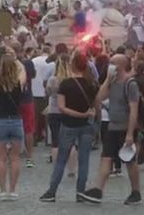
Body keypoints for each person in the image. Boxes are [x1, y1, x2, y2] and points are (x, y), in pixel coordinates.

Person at [79, 54, 142, 205]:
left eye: (113, 63)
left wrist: (130, 134)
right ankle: (98, 190)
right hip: (112, 126)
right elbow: (99, 98)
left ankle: (136, 192)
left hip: (126, 128)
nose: (110, 65)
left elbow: (134, 110)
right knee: (106, 158)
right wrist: (107, 80)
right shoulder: (112, 82)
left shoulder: (130, 83)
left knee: (129, 161)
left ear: (121, 65)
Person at [40, 51, 99, 203]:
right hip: (87, 125)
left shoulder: (66, 84)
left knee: (61, 159)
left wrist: (78, 114)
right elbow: (95, 105)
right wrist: (87, 115)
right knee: (84, 160)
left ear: (73, 65)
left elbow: (61, 107)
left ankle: (52, 191)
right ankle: (80, 192)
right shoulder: (92, 84)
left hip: (69, 125)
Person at [0, 47, 27, 201]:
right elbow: (23, 70)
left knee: (1, 158)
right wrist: (14, 57)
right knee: (15, 158)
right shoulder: (19, 83)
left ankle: (2, 191)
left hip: (1, 121)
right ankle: (13, 190)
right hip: (16, 121)